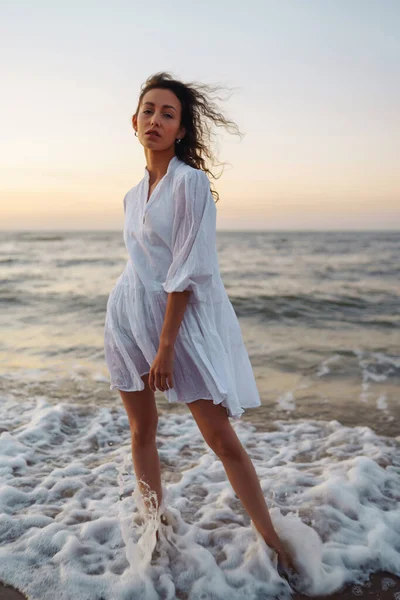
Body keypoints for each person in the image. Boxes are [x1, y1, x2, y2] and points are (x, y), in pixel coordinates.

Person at [103, 72, 297, 578]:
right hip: (127, 315)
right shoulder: (131, 195)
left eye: (168, 114)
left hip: (178, 324)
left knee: (219, 436)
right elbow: (143, 265)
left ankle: (274, 542)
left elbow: (186, 270)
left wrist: (166, 346)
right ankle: (153, 535)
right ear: (134, 120)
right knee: (142, 429)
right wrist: (144, 335)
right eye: (148, 110)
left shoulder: (190, 184)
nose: (155, 120)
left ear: (182, 129)